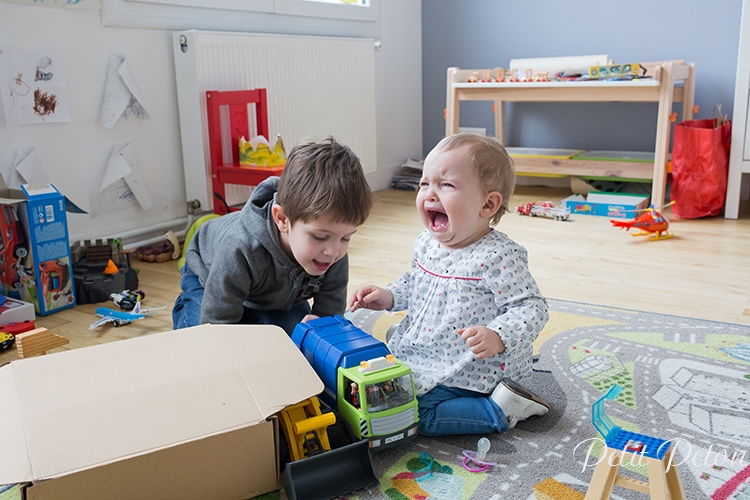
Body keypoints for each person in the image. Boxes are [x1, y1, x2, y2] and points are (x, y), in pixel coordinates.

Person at [350, 133, 550, 436]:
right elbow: (417, 282)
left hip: (473, 367)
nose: (430, 194)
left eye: (446, 185)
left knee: (414, 415)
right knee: (381, 382)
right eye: (424, 183)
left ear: (488, 204)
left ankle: (501, 408)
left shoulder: (498, 256)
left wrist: (498, 335)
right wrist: (390, 296)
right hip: (430, 349)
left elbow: (532, 308)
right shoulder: (427, 243)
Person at [172, 136, 373, 335]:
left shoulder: (332, 248)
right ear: (283, 219)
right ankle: (185, 303)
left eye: (346, 238)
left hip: (271, 294)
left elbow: (330, 309)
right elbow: (218, 321)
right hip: (208, 277)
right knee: (204, 342)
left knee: (293, 342)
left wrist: (323, 327)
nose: (333, 251)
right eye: (320, 237)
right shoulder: (239, 247)